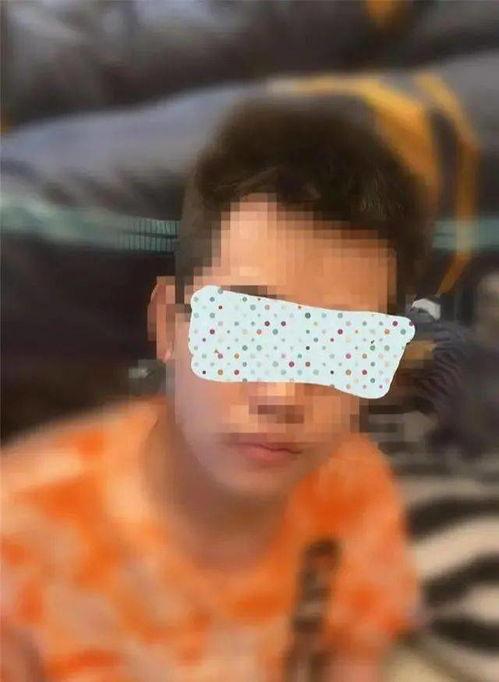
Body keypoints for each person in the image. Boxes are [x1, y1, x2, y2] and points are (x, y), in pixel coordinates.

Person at [1, 98, 430, 681]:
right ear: (168, 323)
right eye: (245, 329)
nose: (282, 394)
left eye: (341, 344)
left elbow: (353, 657)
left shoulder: (354, 489)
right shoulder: (20, 535)